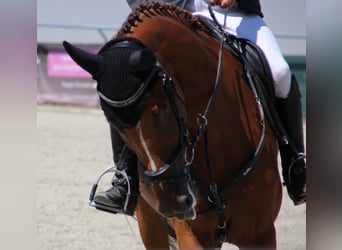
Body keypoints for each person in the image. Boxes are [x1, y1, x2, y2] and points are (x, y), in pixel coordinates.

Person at [93, 0, 306, 215]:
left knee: (280, 72)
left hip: (235, 15)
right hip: (176, 15)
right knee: (120, 71)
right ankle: (125, 179)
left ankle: (295, 163)